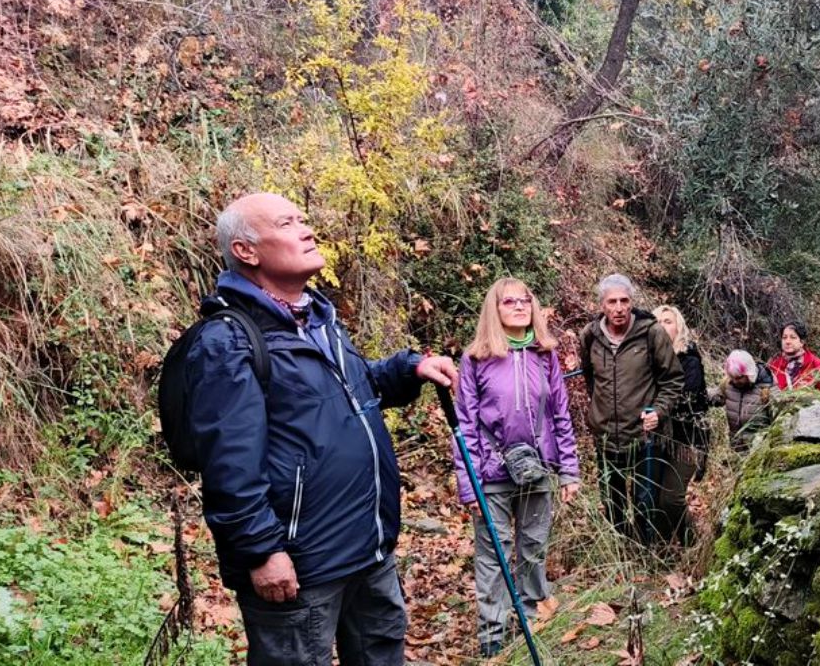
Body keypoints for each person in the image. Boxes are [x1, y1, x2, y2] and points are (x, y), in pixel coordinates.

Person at [186, 193, 457, 666]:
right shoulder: (227, 341)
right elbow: (228, 463)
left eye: (303, 219)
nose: (307, 230)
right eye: (287, 224)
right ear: (246, 251)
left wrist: (407, 369)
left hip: (368, 548)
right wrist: (261, 551)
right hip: (301, 565)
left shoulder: (318, 319)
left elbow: (349, 391)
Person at [452, 278, 580, 657]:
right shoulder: (476, 359)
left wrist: (568, 469)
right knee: (493, 555)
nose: (520, 306)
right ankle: (493, 638)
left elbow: (560, 415)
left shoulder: (545, 355)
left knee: (534, 549)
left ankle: (529, 626)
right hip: (491, 473)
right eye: (509, 302)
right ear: (495, 309)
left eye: (525, 300)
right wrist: (469, 484)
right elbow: (465, 424)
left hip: (537, 470)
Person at [578, 274, 684, 544]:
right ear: (602, 305)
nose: (619, 308)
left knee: (645, 502)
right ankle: (621, 551)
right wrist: (598, 413)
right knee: (612, 503)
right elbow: (591, 379)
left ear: (632, 302)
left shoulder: (651, 333)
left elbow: (673, 379)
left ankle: (647, 555)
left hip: (643, 437)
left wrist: (659, 411)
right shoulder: (590, 335)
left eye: (624, 301)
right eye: (612, 302)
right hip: (605, 437)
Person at [651, 305, 708, 546]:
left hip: (688, 439)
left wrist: (655, 408)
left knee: (671, 499)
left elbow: (686, 399)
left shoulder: (689, 360)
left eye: (668, 321)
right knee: (654, 498)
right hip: (658, 439)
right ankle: (664, 550)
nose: (663, 326)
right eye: (658, 322)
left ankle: (694, 545)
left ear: (678, 327)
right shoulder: (648, 359)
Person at [710, 350, 774, 451]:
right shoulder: (728, 385)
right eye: (732, 377)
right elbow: (716, 397)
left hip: (759, 450)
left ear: (749, 373)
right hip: (736, 449)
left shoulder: (767, 389)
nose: (735, 381)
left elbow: (779, 420)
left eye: (739, 377)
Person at [768, 321, 820, 390]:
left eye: (793, 337)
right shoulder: (774, 366)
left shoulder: (816, 365)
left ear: (802, 342)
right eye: (784, 337)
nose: (787, 341)